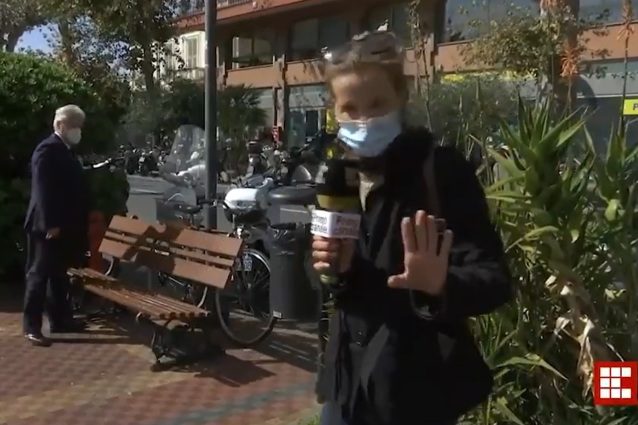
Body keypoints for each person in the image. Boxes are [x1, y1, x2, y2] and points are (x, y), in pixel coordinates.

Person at [311, 31, 513, 425]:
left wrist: (439, 285)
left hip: (413, 396)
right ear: (334, 111)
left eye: (377, 104)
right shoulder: (335, 176)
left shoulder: (440, 171)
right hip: (345, 388)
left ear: (401, 97)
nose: (364, 119)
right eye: (349, 108)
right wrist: (332, 268)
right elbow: (326, 280)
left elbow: (495, 279)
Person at [23, 104, 89, 347]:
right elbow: (43, 190)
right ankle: (32, 327)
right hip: (47, 226)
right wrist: (50, 223)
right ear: (61, 125)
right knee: (38, 275)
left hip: (64, 225)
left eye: (79, 126)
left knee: (59, 276)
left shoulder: (65, 150)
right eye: (74, 125)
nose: (78, 131)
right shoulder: (47, 150)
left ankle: (60, 319)